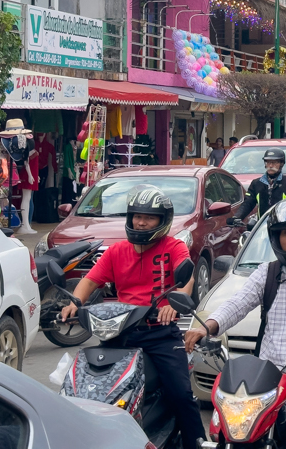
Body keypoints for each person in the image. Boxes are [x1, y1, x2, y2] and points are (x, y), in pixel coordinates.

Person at [60, 186, 204, 449]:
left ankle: (197, 442)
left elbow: (187, 279)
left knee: (181, 394)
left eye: (149, 217)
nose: (141, 221)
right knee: (93, 391)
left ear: (163, 221)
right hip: (120, 333)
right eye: (137, 215)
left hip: (161, 333)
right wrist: (74, 302)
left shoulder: (173, 246)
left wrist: (174, 302)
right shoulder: (116, 251)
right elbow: (90, 281)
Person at [184, 198, 286, 368]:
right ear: (276, 237)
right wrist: (206, 327)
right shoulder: (267, 272)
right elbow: (238, 303)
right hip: (269, 377)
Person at [235, 148, 286, 221]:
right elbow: (248, 203)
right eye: (268, 162)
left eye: (274, 163)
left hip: (283, 226)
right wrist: (237, 217)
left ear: (281, 164)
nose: (270, 166)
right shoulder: (256, 183)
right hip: (262, 226)